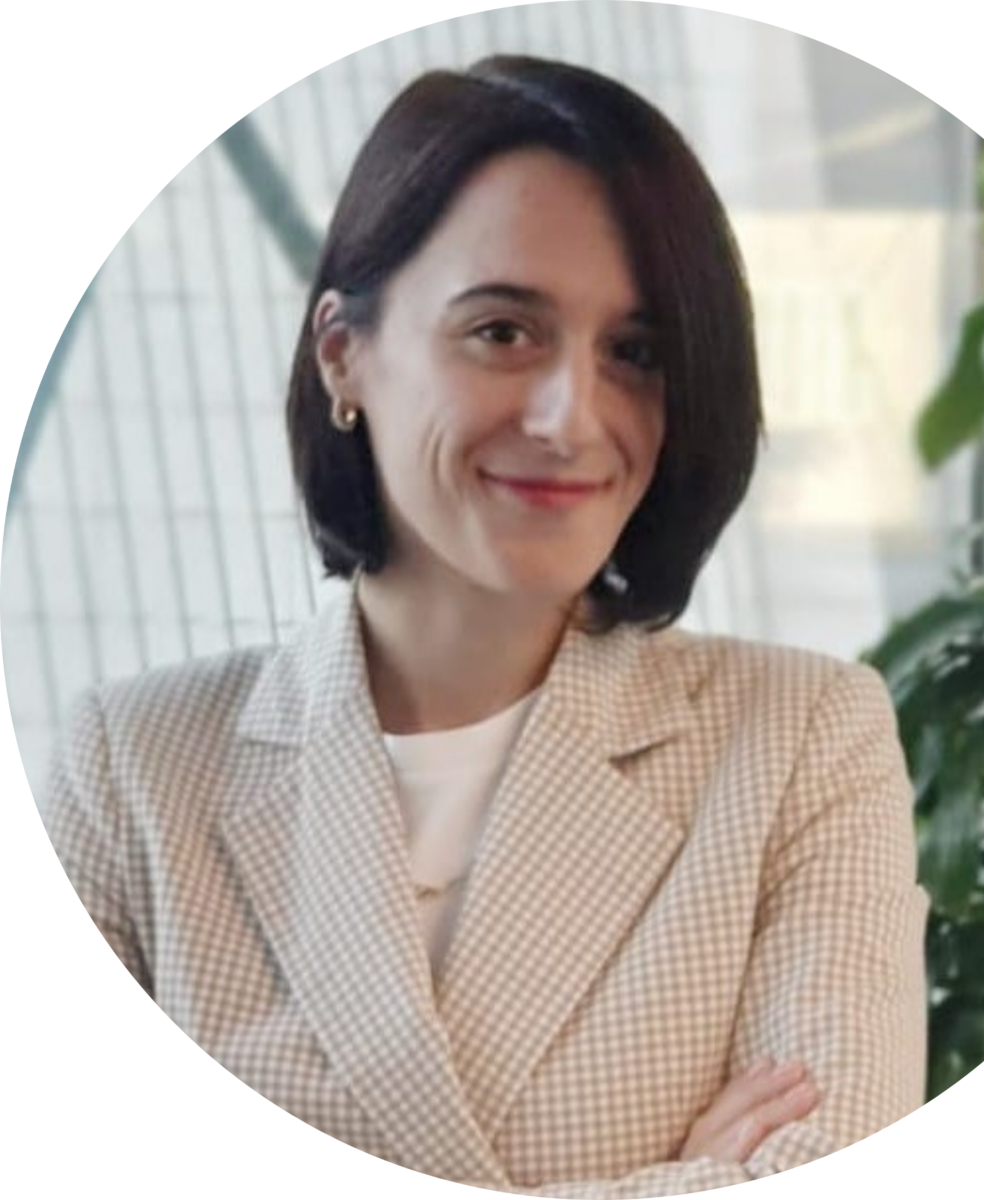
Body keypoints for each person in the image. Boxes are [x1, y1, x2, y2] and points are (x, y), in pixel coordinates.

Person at [41, 56, 928, 1190]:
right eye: (504, 332)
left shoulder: (802, 740)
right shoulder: (134, 771)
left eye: (635, 353)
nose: (571, 418)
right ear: (342, 354)